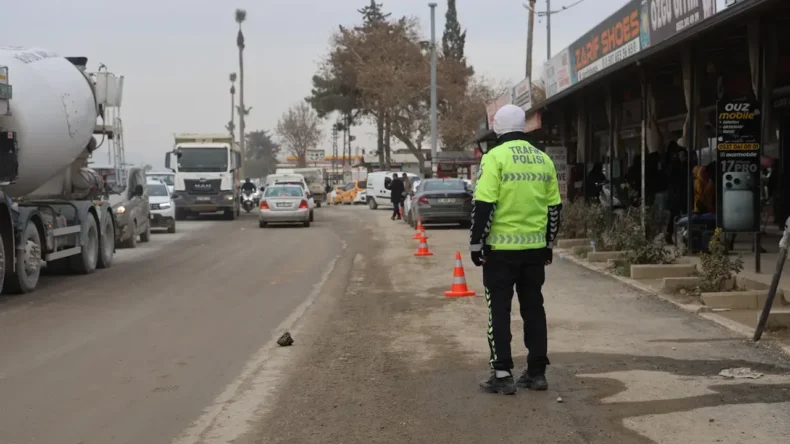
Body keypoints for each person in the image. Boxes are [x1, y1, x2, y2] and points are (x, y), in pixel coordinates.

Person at [470, 104, 562, 395]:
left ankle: (502, 374)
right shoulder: (543, 159)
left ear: (498, 127)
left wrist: (476, 243)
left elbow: (485, 205)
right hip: (534, 250)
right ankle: (537, 373)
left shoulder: (494, 157)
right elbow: (554, 208)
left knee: (499, 310)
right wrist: (548, 244)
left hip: (500, 251)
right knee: (534, 309)